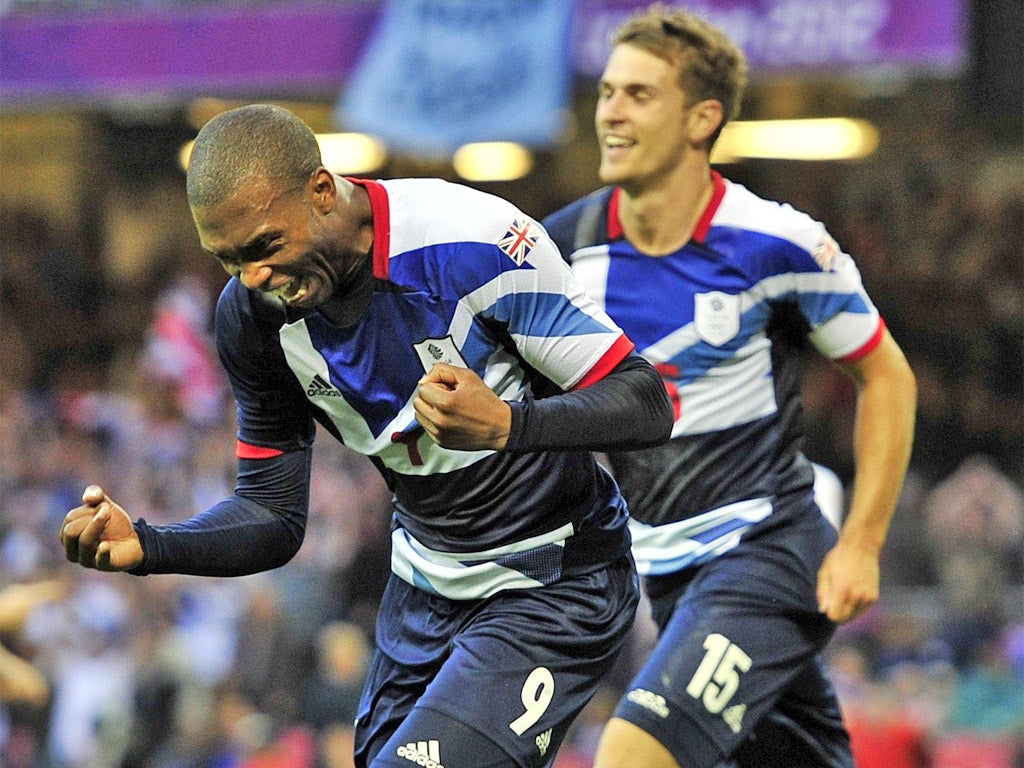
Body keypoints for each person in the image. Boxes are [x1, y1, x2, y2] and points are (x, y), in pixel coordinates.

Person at [59, 103, 674, 768]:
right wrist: (149, 545)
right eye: (228, 260)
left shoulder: (471, 244)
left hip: (556, 583)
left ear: (324, 191)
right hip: (424, 593)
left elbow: (644, 401)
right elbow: (273, 514)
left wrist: (507, 425)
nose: (254, 280)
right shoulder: (252, 319)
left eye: (265, 247)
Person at [541, 6, 917, 768]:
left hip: (769, 552)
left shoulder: (776, 242)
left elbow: (886, 376)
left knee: (631, 752)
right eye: (608, 91)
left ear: (701, 118)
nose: (610, 111)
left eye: (639, 95)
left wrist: (863, 545)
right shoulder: (561, 249)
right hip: (666, 577)